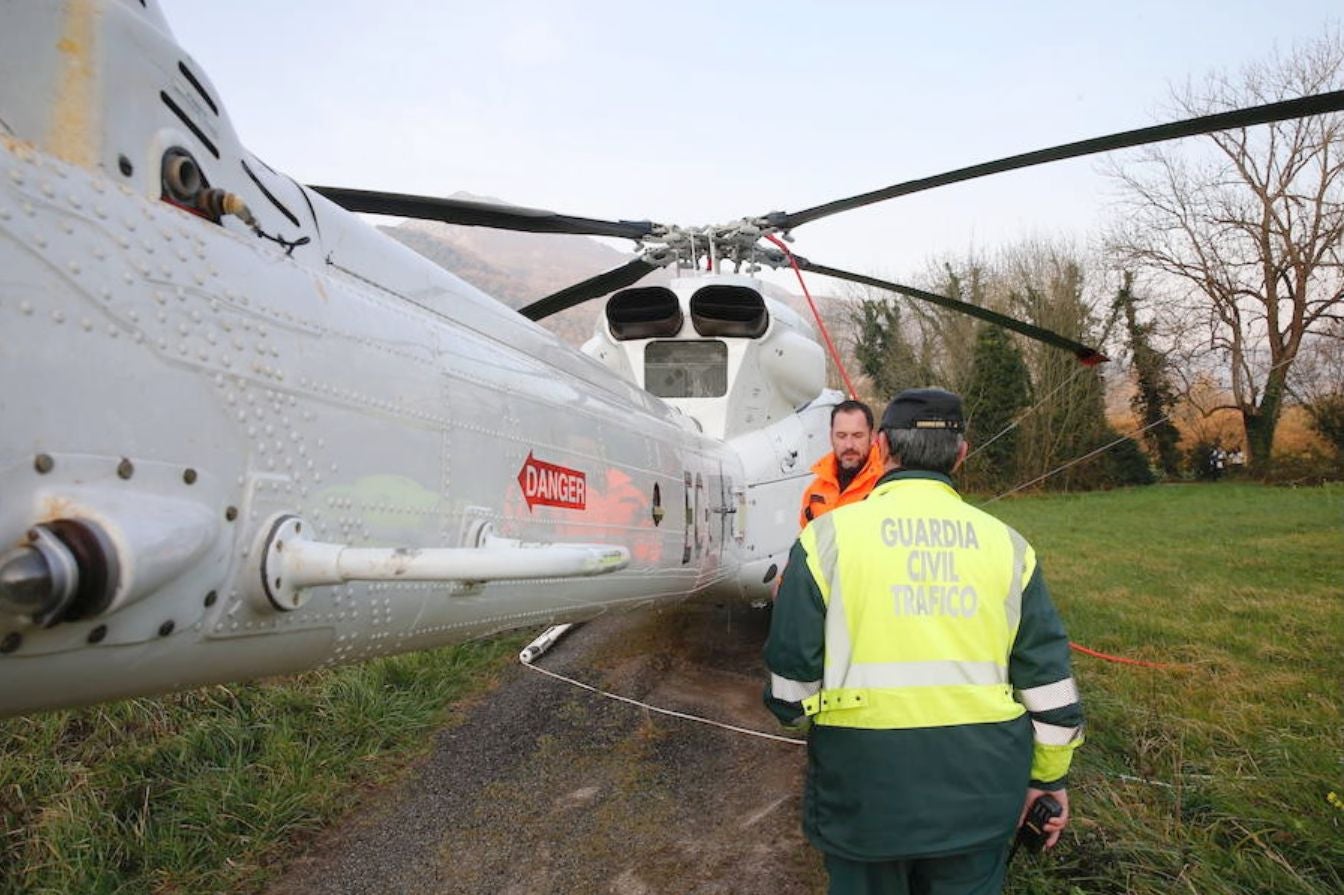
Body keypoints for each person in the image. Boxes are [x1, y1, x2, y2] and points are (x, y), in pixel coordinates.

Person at [764, 387, 1084, 895]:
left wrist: (803, 711)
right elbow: (1050, 687)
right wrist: (1048, 779)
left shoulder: (824, 540)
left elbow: (789, 688)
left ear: (882, 446)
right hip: (980, 794)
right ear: (962, 453)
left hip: (864, 794)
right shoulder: (1010, 548)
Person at [799, 399, 883, 529]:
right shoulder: (816, 491)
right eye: (841, 436)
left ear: (872, 437)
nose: (849, 445)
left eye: (857, 435)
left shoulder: (886, 485)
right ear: (831, 437)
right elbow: (805, 542)